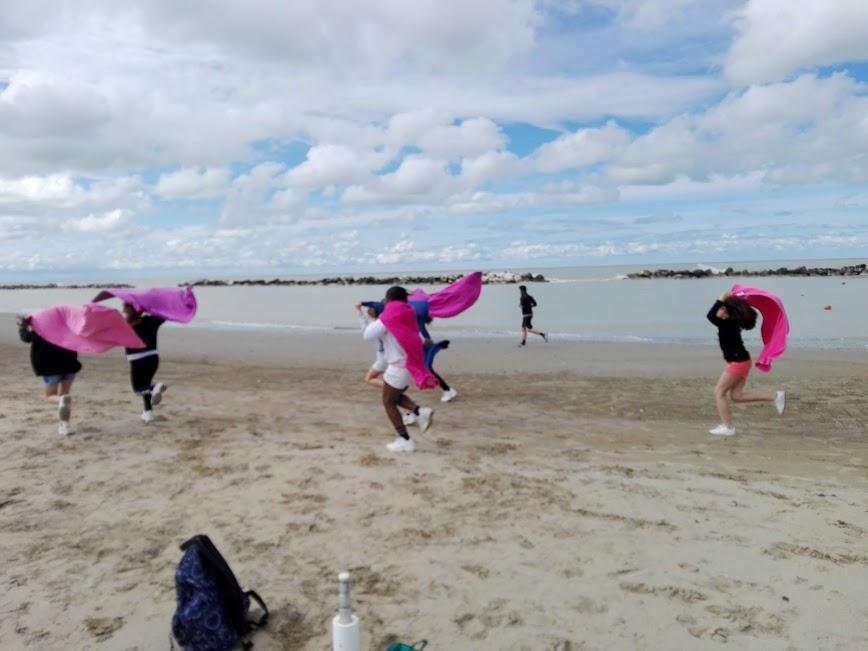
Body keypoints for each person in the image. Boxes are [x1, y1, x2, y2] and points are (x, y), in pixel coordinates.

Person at [362, 287, 433, 453]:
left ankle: (405, 440)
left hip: (398, 366)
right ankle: (419, 411)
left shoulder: (388, 318)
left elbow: (367, 335)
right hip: (409, 365)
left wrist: (375, 319)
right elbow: (421, 339)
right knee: (393, 397)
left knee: (388, 402)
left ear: (389, 300)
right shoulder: (408, 316)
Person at [707, 291, 785, 436]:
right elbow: (714, 315)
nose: (718, 310)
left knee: (719, 393)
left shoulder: (727, 323)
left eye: (721, 308)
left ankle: (728, 427)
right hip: (742, 361)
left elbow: (710, 315)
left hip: (738, 362)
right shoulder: (731, 323)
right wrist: (726, 300)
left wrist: (722, 297)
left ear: (725, 311)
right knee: (736, 396)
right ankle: (775, 397)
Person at [17, 315, 81, 436]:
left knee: (51, 396)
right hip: (70, 367)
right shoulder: (67, 329)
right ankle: (65, 425)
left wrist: (21, 328)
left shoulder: (41, 331)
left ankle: (61, 404)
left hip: (51, 369)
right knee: (65, 397)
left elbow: (26, 338)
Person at [123, 303, 167, 424]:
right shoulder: (152, 320)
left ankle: (155, 387)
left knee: (138, 389)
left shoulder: (125, 324)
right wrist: (150, 307)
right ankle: (148, 412)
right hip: (153, 359)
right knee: (145, 385)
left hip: (137, 361)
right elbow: (165, 314)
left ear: (127, 310)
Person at [423, 316, 457, 402]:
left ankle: (448, 390)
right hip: (419, 341)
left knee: (427, 368)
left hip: (423, 342)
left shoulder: (413, 310)